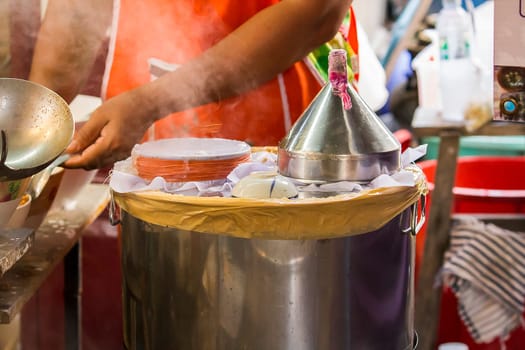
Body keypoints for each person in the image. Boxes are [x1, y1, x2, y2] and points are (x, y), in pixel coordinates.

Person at [29, 0, 377, 170]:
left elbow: (317, 12)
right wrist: (31, 128)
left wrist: (150, 103)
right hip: (149, 141)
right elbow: (78, 9)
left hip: (288, 144)